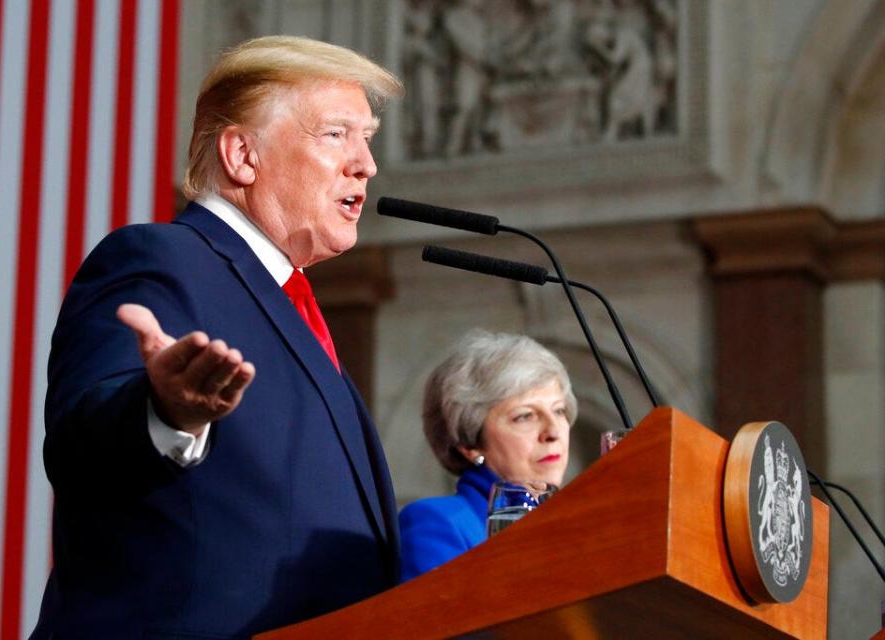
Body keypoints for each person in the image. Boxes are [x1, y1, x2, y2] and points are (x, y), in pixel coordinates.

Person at [31, 36, 403, 638]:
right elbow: (81, 442)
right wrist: (165, 413)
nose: (366, 163)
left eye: (367, 137)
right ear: (241, 155)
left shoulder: (292, 303)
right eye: (336, 134)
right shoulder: (162, 259)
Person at [399, 329, 577, 581]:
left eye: (559, 411)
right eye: (524, 416)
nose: (553, 432)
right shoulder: (439, 524)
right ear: (470, 444)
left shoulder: (577, 526)